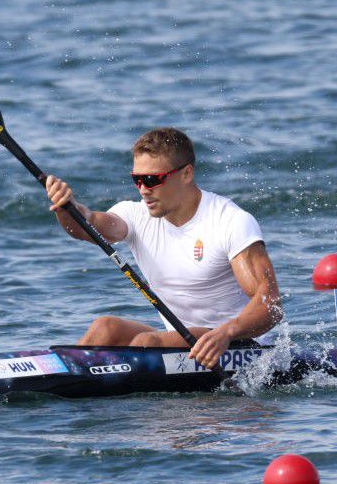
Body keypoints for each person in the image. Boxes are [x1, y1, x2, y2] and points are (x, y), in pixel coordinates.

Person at [44, 127, 282, 369]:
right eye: (137, 180)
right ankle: (66, 380)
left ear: (187, 173)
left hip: (239, 344)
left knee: (147, 342)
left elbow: (270, 305)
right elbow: (88, 226)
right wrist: (69, 208)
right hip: (181, 341)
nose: (143, 189)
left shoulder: (230, 221)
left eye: (152, 179)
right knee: (104, 328)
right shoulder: (136, 215)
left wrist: (227, 332)